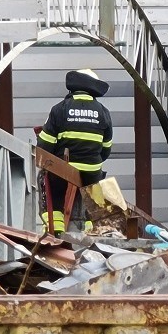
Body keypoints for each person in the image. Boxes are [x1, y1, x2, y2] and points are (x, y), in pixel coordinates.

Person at [37, 69, 114, 234]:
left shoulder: (60, 109)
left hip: (66, 168)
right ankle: (90, 228)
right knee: (93, 195)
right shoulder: (104, 112)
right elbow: (106, 150)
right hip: (92, 172)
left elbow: (44, 146)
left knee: (48, 181)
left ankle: (55, 228)